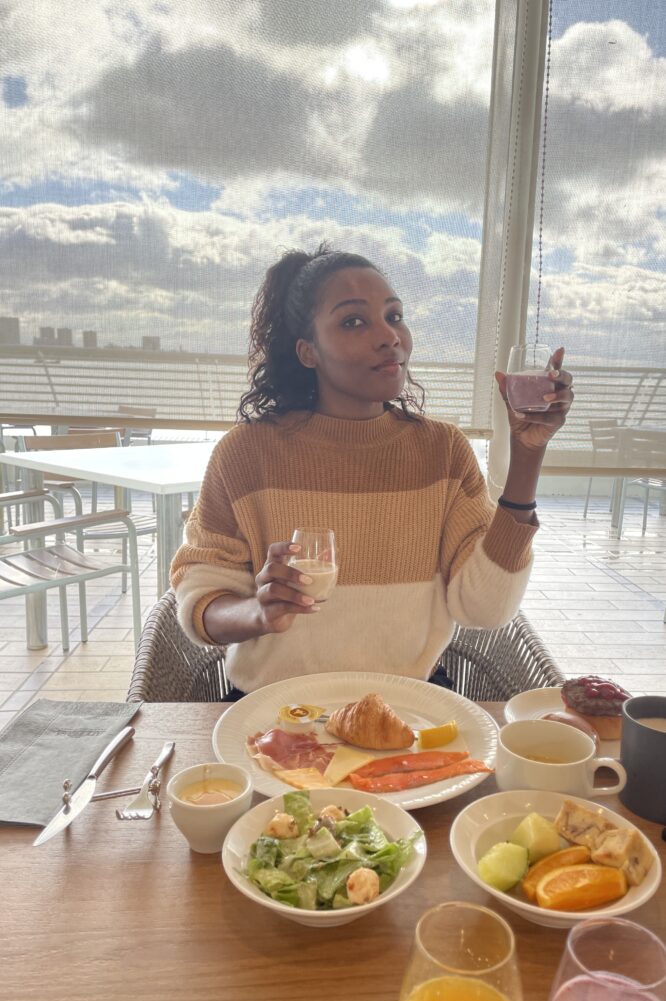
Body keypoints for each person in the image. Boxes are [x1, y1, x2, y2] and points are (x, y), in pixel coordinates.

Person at [170, 243, 573, 695]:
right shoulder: (245, 454)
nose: (389, 336)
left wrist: (527, 453)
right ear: (308, 352)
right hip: (273, 714)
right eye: (354, 321)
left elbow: (484, 610)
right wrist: (258, 613)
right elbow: (201, 599)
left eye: (394, 316)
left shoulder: (442, 452)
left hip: (408, 713)